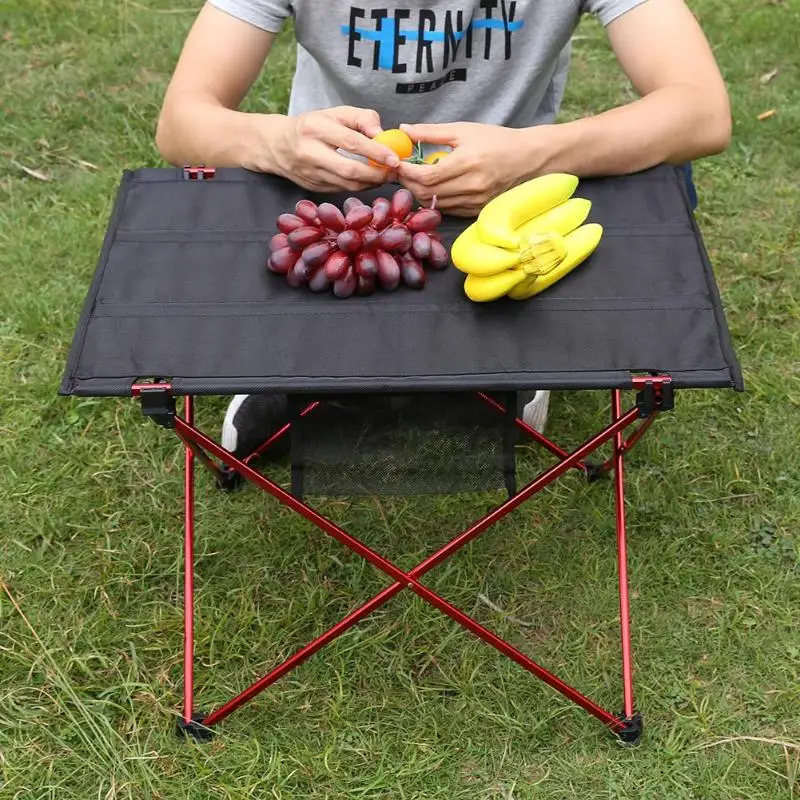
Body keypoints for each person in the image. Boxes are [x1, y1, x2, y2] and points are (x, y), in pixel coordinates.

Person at [155, 0, 731, 458]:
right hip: (334, 214)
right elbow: (182, 122)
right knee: (324, 302)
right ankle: (291, 366)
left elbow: (700, 110)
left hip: (501, 208)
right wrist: (278, 143)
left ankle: (515, 362)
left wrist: (531, 155)